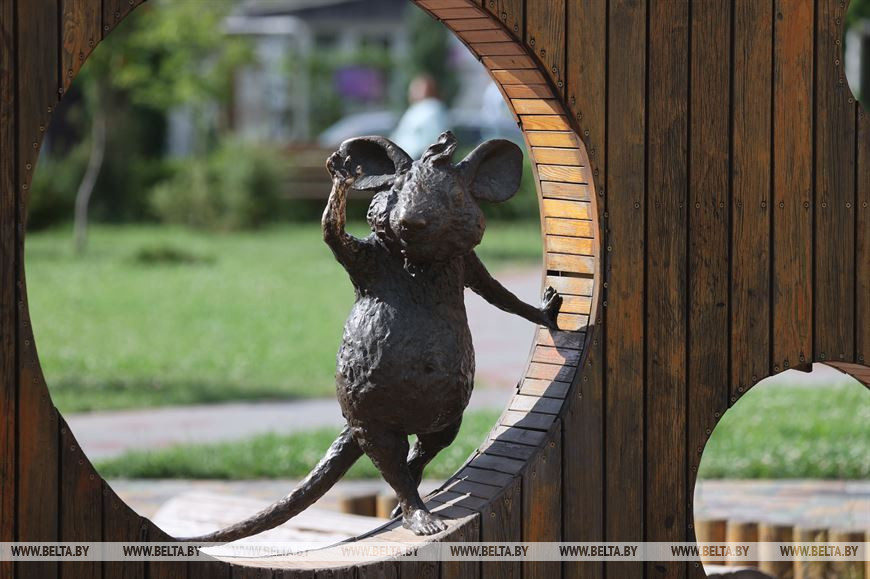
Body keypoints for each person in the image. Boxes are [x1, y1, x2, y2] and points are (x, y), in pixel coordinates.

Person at [390, 74, 449, 159]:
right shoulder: (415, 108)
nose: (413, 91)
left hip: (418, 160)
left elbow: (438, 138)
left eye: (418, 88)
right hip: (404, 159)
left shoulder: (433, 107)